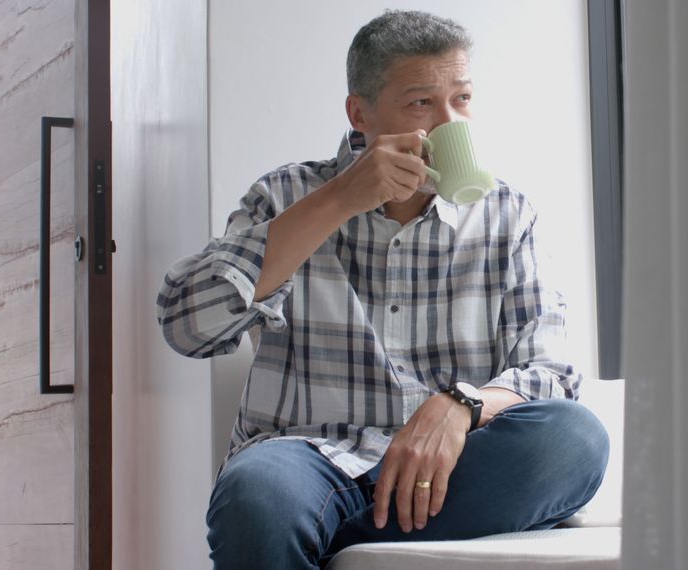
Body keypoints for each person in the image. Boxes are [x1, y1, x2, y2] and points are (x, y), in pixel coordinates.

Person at [157, 9, 608, 569]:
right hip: (309, 460)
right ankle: (304, 522)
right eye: (422, 103)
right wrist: (340, 199)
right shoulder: (285, 194)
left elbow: (551, 373)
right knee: (258, 494)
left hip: (453, 467)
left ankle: (318, 537)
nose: (448, 124)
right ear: (359, 113)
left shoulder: (506, 215)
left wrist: (461, 405)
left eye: (461, 100)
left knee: (576, 440)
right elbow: (185, 325)